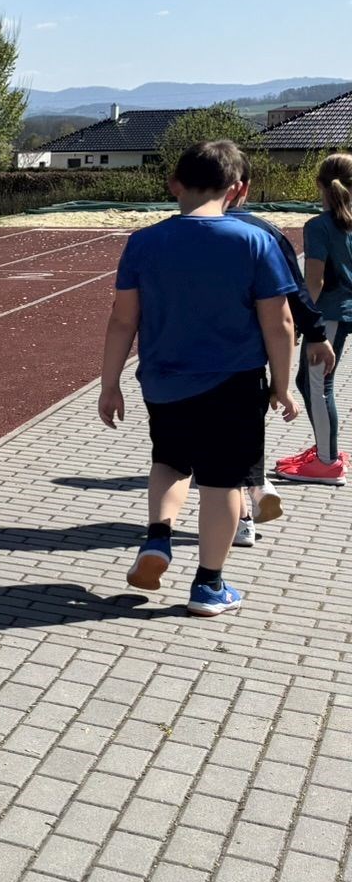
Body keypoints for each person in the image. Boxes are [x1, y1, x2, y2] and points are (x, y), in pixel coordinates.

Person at [99, 140, 300, 618]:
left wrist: (110, 383)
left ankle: (158, 539)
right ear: (240, 189)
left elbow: (122, 320)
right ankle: (209, 586)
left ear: (174, 185)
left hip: (163, 381)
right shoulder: (255, 241)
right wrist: (282, 383)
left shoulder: (143, 242)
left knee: (169, 463)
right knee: (222, 483)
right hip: (232, 382)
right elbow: (280, 322)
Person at [220, 160, 338, 538]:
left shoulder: (173, 234)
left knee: (213, 447)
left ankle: (245, 511)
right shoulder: (264, 230)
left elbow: (307, 284)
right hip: (254, 350)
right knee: (246, 424)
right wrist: (311, 336)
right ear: (244, 188)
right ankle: (256, 488)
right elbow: (296, 290)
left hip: (197, 352)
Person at [274, 151, 352, 486]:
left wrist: (299, 323)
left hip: (329, 315)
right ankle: (326, 449)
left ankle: (327, 462)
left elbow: (315, 280)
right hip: (341, 312)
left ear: (319, 184)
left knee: (318, 386)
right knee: (310, 383)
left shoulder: (319, 226)